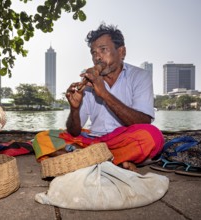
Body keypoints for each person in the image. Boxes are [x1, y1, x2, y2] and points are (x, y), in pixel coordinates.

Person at [32, 23, 164, 172]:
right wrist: (74, 109)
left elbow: (144, 122)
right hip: (93, 140)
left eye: (103, 50)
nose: (97, 57)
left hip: (122, 140)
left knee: (153, 136)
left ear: (121, 52)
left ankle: (84, 159)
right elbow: (74, 132)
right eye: (93, 53)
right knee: (41, 138)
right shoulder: (88, 82)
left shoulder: (140, 76)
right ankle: (112, 162)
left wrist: (104, 94)